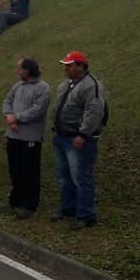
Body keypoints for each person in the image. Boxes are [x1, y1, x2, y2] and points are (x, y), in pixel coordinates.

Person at [51, 50, 106, 228]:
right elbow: (57, 107)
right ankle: (68, 208)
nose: (65, 69)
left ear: (81, 66)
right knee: (64, 176)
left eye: (69, 65)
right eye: (65, 65)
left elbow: (94, 112)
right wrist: (54, 128)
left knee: (81, 178)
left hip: (78, 140)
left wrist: (83, 135)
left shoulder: (92, 85)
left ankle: (85, 215)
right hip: (61, 137)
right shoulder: (65, 84)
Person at [2, 57, 51, 218]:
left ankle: (29, 204)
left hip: (31, 137)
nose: (17, 72)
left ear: (28, 70)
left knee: (30, 171)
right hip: (13, 135)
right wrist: (10, 117)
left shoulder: (43, 88)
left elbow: (38, 110)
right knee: (15, 169)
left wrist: (17, 117)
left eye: (19, 69)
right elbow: (7, 101)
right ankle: (15, 199)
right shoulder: (18, 85)